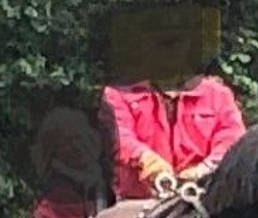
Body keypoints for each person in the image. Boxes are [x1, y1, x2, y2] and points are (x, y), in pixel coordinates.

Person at [101, 73, 246, 200]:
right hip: (139, 201)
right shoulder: (119, 93)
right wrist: (147, 160)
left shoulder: (218, 94)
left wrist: (203, 170)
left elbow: (233, 139)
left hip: (203, 199)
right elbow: (119, 136)